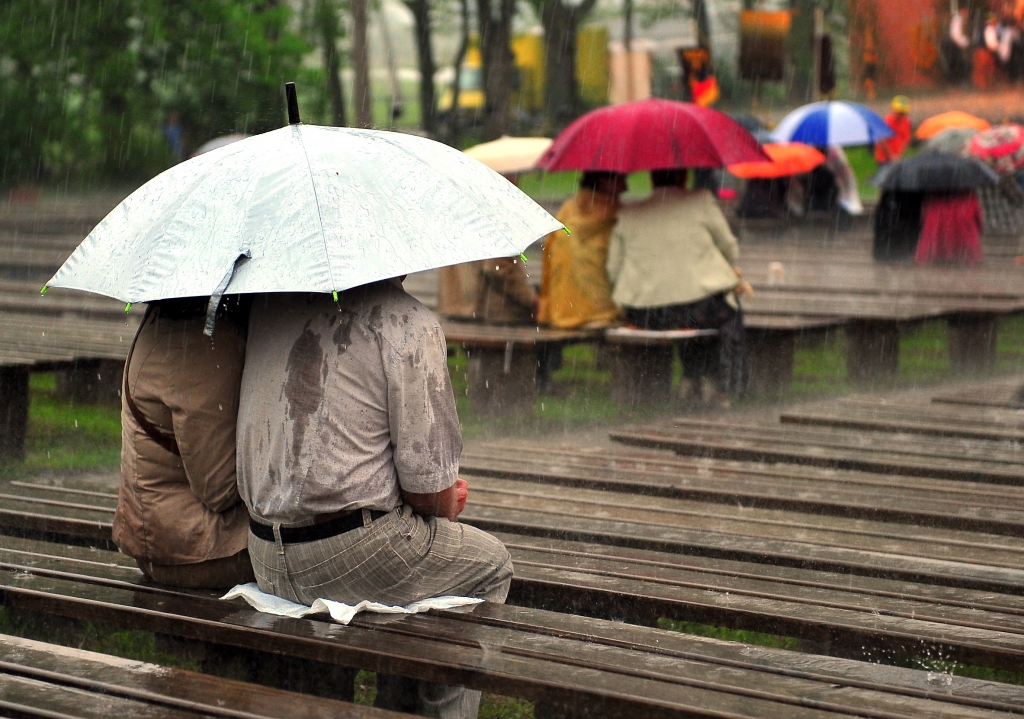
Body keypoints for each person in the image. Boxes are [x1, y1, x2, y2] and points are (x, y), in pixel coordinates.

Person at [237, 280, 513, 719]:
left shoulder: (271, 308)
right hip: (353, 554)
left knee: (420, 562)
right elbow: (429, 494)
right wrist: (446, 504)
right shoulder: (406, 323)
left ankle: (396, 704)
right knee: (488, 565)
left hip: (264, 554)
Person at [114, 296, 254, 590]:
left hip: (160, 539)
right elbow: (219, 488)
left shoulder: (163, 322)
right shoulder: (202, 340)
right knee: (321, 551)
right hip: (198, 551)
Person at [607, 169, 753, 402]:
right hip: (697, 309)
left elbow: (612, 269)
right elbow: (729, 249)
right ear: (685, 178)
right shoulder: (701, 201)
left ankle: (691, 376)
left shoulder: (629, 212)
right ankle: (725, 385)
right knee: (726, 313)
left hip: (645, 313)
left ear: (651, 178)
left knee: (687, 312)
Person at [537, 172, 626, 329]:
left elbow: (548, 258)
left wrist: (546, 305)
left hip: (561, 310)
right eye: (621, 180)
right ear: (603, 180)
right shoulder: (617, 214)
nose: (626, 188)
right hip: (601, 311)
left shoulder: (567, 210)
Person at [914, 191, 984, 265]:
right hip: (966, 251)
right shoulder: (969, 196)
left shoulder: (931, 198)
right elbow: (978, 220)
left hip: (933, 251)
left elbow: (923, 219)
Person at [875, 96, 913, 166]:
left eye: (903, 113)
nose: (901, 115)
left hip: (897, 158)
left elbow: (906, 140)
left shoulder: (906, 122)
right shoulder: (887, 121)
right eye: (899, 112)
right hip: (884, 158)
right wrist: (891, 156)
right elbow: (882, 140)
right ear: (894, 110)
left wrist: (899, 155)